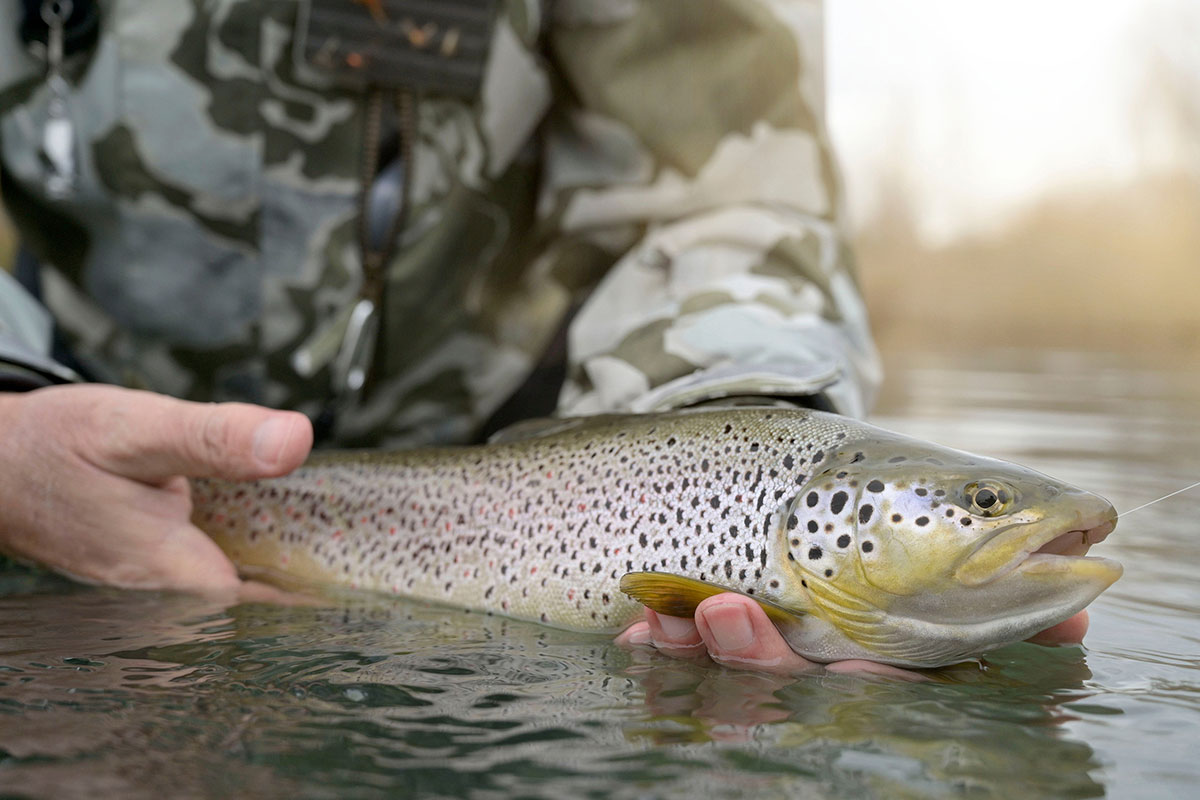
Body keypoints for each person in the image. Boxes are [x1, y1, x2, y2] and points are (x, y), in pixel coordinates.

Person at [0, 0, 1086, 677]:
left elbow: (722, 194)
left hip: (524, 426)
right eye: (982, 507)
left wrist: (742, 408)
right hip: (47, 407)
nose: (1002, 518)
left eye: (976, 507)